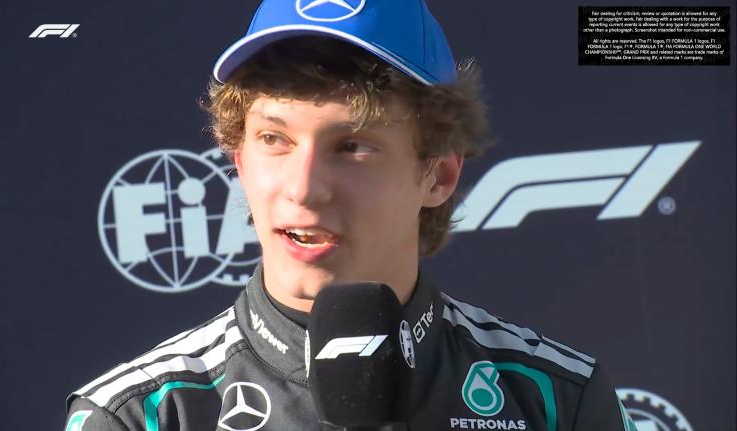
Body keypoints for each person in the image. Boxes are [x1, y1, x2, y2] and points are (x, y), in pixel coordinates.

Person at [65, 0, 636, 430]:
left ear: (438, 175)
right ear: (238, 160)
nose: (303, 189)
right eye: (274, 139)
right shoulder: (141, 415)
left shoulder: (556, 400)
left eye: (352, 146)